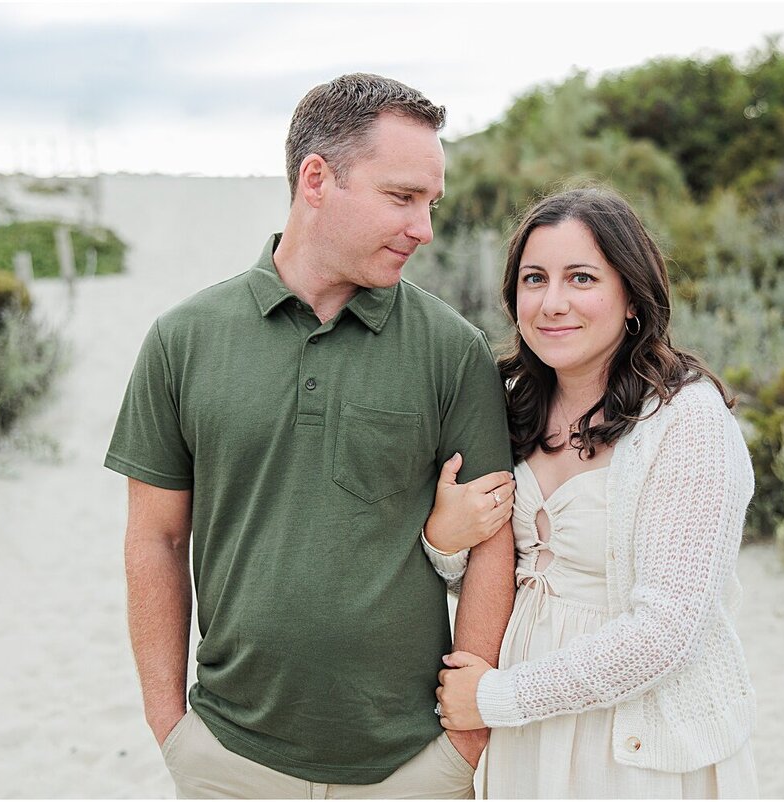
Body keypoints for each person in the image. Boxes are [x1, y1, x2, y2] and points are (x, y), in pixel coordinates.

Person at [105, 73, 517, 799]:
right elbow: (156, 539)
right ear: (317, 179)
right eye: (402, 197)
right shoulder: (183, 340)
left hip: (409, 765)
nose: (424, 228)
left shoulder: (454, 350)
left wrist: (465, 739)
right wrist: (169, 722)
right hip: (226, 759)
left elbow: (493, 541)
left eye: (431, 203)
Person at [430, 187, 759, 798]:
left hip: (636, 741)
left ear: (631, 297)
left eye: (581, 278)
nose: (553, 303)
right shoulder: (508, 404)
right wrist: (444, 541)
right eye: (535, 279)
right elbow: (491, 570)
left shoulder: (688, 421)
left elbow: (666, 630)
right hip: (524, 736)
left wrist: (500, 696)